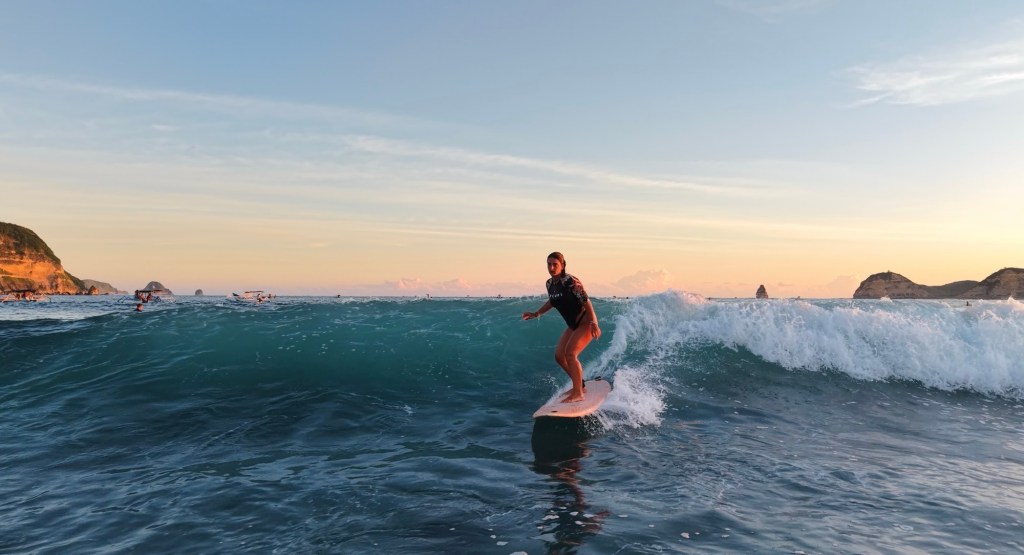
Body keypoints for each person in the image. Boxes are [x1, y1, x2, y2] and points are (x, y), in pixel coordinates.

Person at [522, 252, 601, 403]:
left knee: (570, 354)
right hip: (572, 325)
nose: (551, 268)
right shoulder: (549, 284)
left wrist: (594, 323)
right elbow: (553, 301)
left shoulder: (570, 281)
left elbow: (586, 302)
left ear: (563, 265)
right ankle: (580, 384)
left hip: (584, 322)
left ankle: (578, 393)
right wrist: (537, 313)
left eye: (555, 264)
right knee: (559, 356)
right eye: (549, 264)